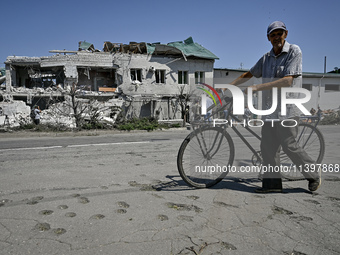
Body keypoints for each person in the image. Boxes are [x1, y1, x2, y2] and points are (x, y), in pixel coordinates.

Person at [229, 21, 321, 193]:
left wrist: (257, 88)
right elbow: (247, 74)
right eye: (273, 34)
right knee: (268, 148)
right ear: (268, 38)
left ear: (286, 34)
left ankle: (314, 175)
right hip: (269, 111)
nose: (276, 37)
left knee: (289, 145)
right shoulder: (265, 58)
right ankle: (272, 185)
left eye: (279, 33)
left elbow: (287, 80)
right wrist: (229, 88)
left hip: (288, 110)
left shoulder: (294, 51)